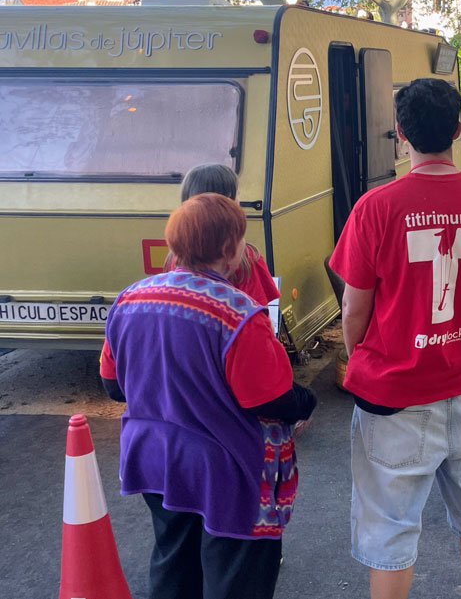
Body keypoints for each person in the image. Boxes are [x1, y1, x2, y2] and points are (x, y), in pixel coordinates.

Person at [329, 78, 461, 599]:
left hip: (394, 393)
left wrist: (362, 360)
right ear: (458, 129)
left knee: (390, 528)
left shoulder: (376, 207)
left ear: (400, 132)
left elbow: (354, 309)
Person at [99, 193, 316, 599]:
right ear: (228, 249)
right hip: (223, 469)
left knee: (174, 563)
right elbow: (268, 399)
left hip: (154, 459)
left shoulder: (130, 299)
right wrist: (307, 402)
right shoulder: (238, 313)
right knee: (236, 576)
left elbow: (113, 385)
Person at [171, 163, 280, 307]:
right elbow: (258, 311)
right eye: (237, 195)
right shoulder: (247, 259)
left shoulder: (176, 258)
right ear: (228, 203)